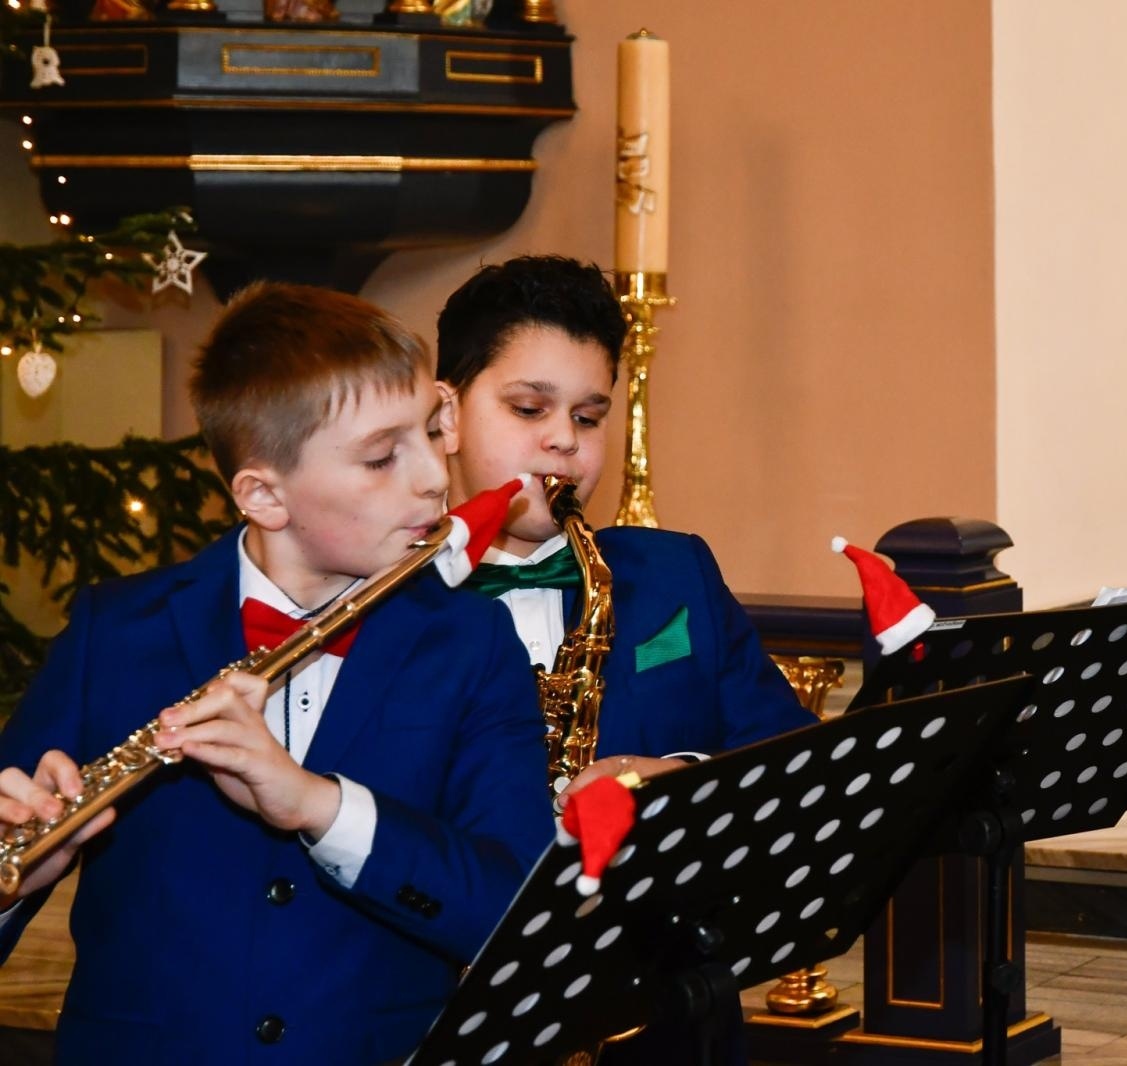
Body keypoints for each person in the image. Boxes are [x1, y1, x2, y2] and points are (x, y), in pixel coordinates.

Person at [0, 284, 551, 1065]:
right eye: (381, 455)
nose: (434, 477)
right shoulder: (116, 633)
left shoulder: (471, 642)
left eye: (432, 432)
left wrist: (318, 807)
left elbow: (515, 907)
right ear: (263, 495)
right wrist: (16, 876)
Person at [434, 254, 816, 1063]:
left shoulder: (673, 574)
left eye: (588, 415)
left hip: (667, 1022)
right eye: (528, 407)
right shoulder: (391, 603)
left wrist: (668, 779)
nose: (562, 444)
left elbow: (792, 767)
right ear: (447, 415)